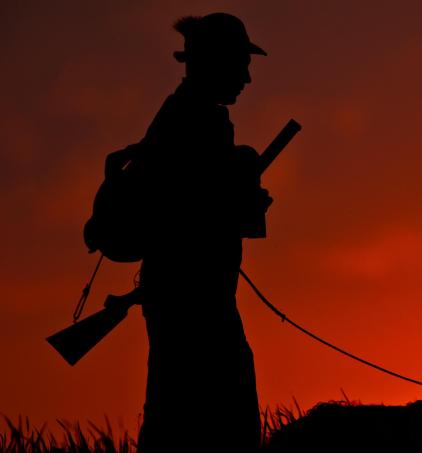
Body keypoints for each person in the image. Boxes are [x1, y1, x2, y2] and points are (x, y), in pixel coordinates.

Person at [134, 13, 271, 452]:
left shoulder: (186, 116)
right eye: (240, 64)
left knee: (173, 419)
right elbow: (191, 211)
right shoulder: (196, 121)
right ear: (216, 62)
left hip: (186, 298)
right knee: (216, 426)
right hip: (197, 305)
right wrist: (242, 198)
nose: (247, 78)